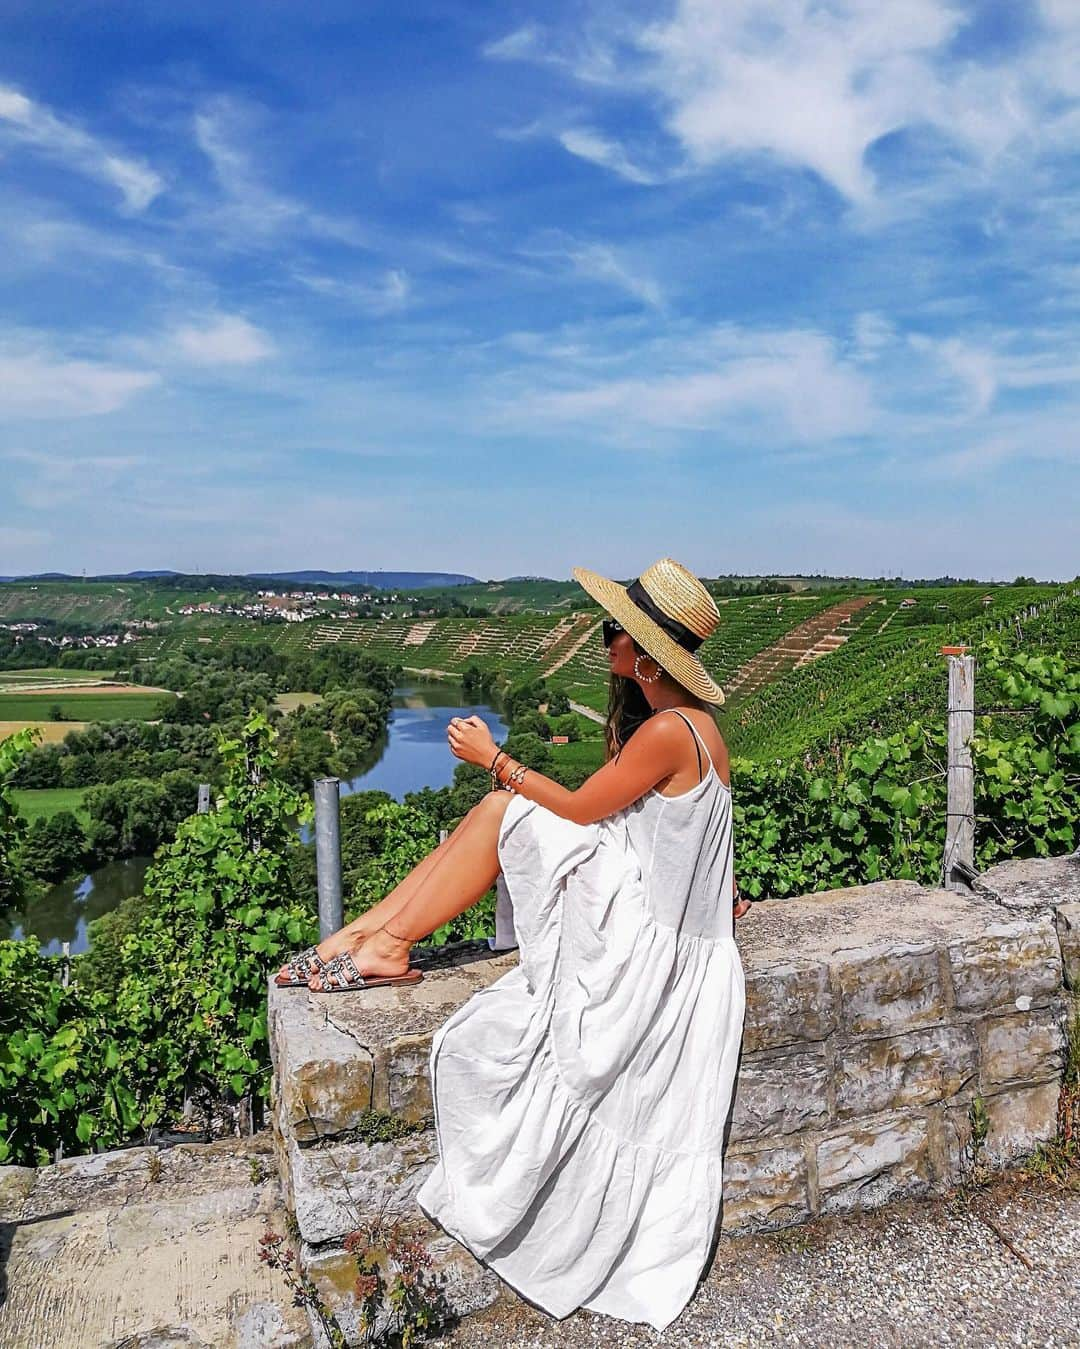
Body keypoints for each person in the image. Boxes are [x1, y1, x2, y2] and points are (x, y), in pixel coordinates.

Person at [276, 556, 748, 1332]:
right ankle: (366, 935)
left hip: (645, 948)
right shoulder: (699, 726)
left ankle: (377, 939)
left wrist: (491, 755)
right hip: (670, 927)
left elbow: (580, 802)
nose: (605, 647)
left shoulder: (667, 727)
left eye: (614, 634)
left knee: (502, 807)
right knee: (495, 817)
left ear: (650, 657)